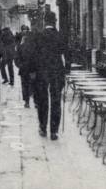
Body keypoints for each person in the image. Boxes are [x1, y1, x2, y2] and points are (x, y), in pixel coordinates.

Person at [25, 12, 68, 140]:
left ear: (44, 22)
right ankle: (54, 131)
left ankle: (43, 128)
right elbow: (67, 54)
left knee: (42, 100)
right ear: (55, 21)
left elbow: (32, 55)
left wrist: (32, 71)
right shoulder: (60, 35)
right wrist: (66, 71)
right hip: (56, 72)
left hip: (41, 72)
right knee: (56, 101)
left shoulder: (38, 36)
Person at [15, 25, 33, 108]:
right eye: (23, 30)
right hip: (24, 68)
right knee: (26, 85)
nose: (24, 31)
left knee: (30, 84)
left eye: (26, 30)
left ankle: (31, 101)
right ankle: (27, 101)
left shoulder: (32, 44)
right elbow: (17, 58)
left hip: (31, 68)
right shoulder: (20, 46)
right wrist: (20, 65)